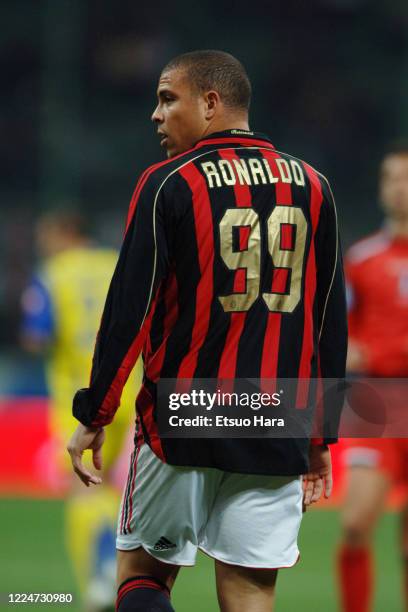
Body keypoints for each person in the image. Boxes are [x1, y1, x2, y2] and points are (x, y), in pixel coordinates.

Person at [67, 50, 347, 612]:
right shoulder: (314, 186)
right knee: (249, 591)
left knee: (141, 576)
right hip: (277, 421)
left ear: (211, 103)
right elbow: (326, 321)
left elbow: (130, 310)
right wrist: (320, 434)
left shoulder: (168, 183)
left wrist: (95, 413)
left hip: (185, 415)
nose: (156, 114)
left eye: (169, 98)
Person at [21, 210, 142, 611]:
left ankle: (105, 569)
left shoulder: (53, 273)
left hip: (80, 398)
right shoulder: (116, 265)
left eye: (47, 235)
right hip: (129, 389)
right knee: (112, 488)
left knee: (83, 490)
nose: (44, 244)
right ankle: (117, 573)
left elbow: (37, 336)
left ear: (64, 232)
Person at [338, 143, 408, 612]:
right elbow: (334, 329)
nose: (399, 187)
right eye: (391, 178)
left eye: (406, 178)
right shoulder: (361, 258)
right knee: (355, 523)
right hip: (376, 403)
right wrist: (345, 349)